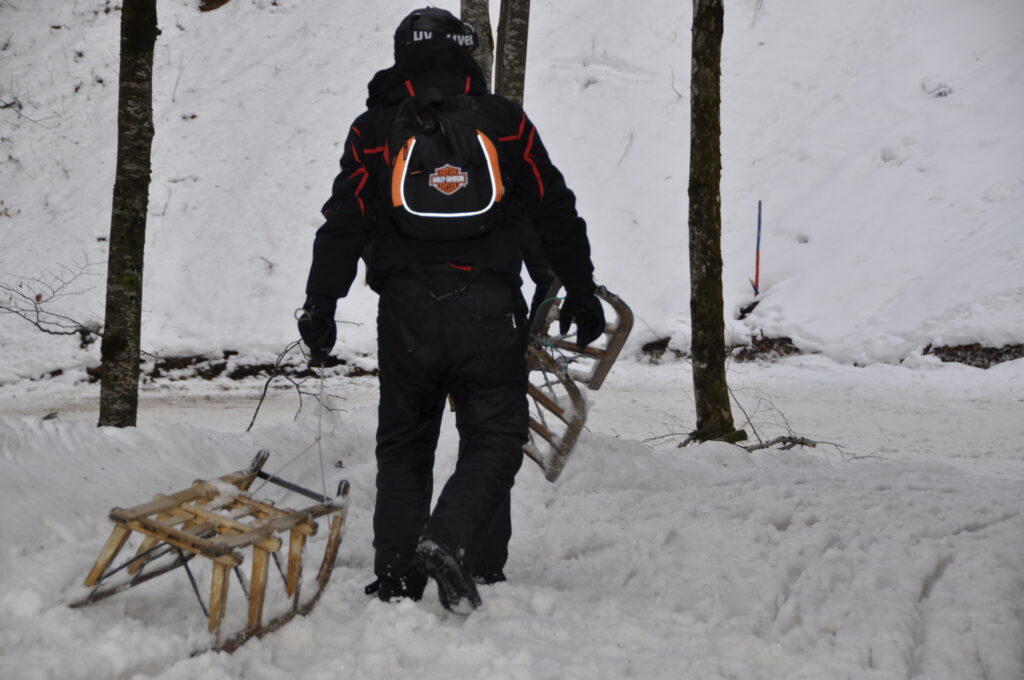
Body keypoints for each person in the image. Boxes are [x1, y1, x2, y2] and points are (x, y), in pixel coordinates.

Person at [298, 7, 604, 613]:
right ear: (467, 53)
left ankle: (396, 576)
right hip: (490, 307)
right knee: (495, 435)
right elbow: (553, 208)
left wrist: (321, 303)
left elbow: (344, 221)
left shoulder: (374, 128)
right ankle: (465, 552)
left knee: (405, 443)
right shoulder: (504, 121)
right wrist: (581, 288)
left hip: (407, 310)